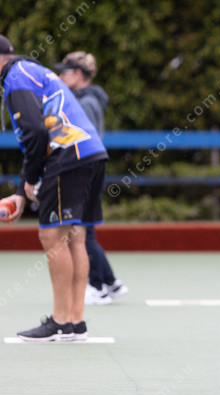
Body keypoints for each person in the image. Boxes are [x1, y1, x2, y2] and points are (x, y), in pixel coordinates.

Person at [0, 35, 108, 341]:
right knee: (76, 235)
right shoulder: (31, 70)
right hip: (91, 153)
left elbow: (35, 132)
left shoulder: (15, 78)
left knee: (52, 235)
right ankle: (75, 321)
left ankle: (60, 321)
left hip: (69, 156)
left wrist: (26, 183)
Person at [54, 51, 128, 305]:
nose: (60, 77)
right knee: (86, 229)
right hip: (91, 169)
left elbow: (83, 142)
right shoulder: (88, 99)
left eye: (64, 72)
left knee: (81, 230)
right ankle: (110, 281)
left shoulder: (85, 103)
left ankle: (96, 287)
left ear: (78, 74)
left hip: (85, 170)